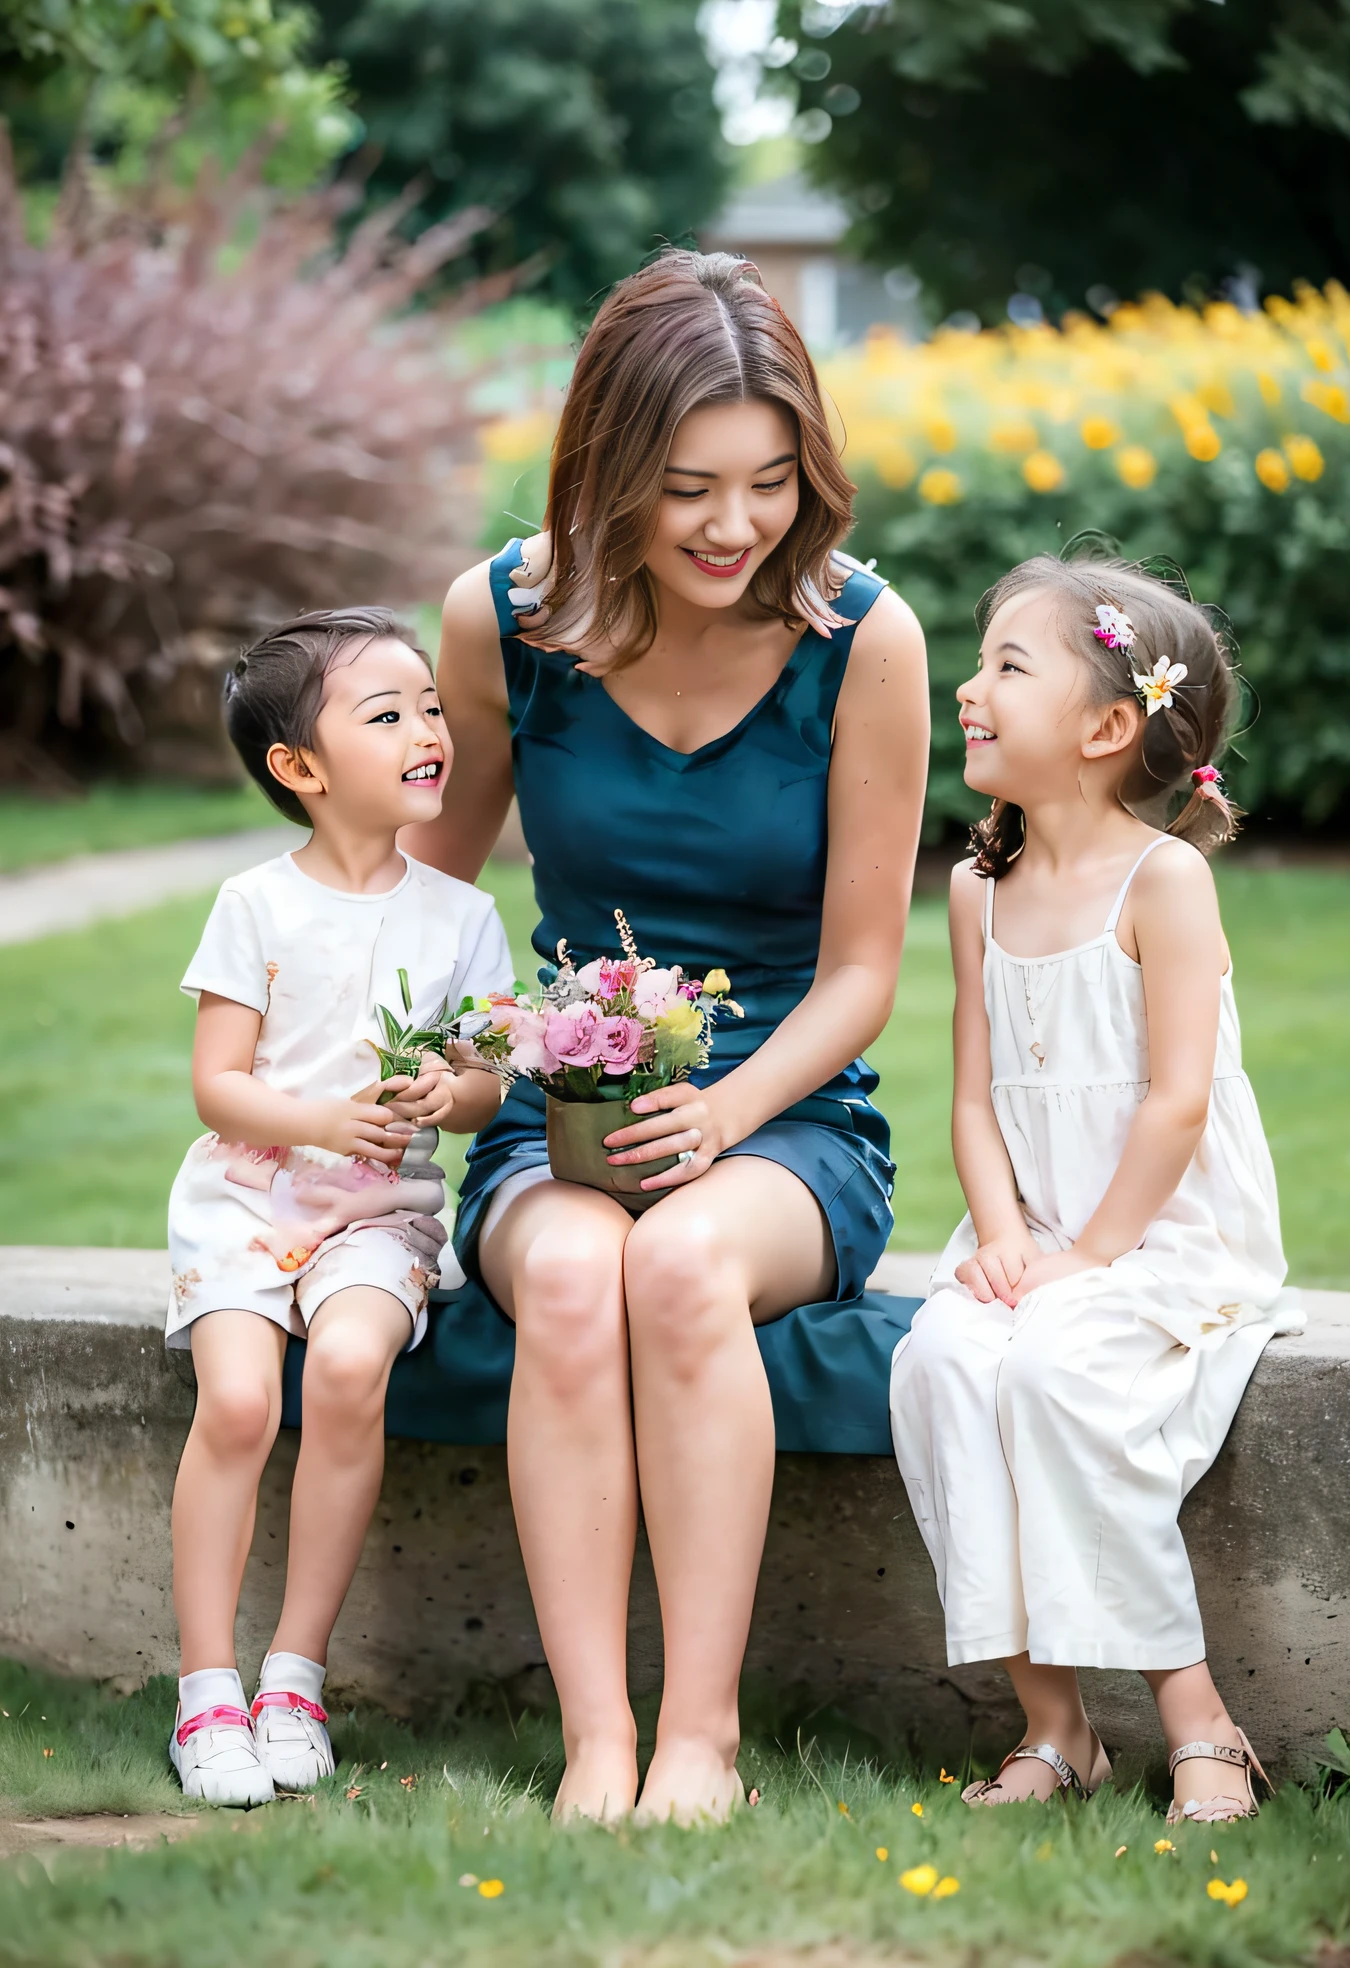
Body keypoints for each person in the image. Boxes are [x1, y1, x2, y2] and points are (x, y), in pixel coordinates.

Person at [406, 250, 928, 1824]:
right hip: (559, 1108)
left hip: (790, 1113)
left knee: (682, 1265)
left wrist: (725, 1118)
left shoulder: (867, 641)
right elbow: (431, 913)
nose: (732, 527)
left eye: (771, 483)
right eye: (689, 487)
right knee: (571, 1271)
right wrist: (459, 1063)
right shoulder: (502, 621)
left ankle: (700, 1736)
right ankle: (597, 1745)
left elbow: (860, 973)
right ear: (609, 471)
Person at [889, 551, 1300, 1825]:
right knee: (944, 1360)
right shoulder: (978, 889)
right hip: (1045, 1227)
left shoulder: (1162, 882)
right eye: (979, 657)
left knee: (1059, 1367)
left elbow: (1176, 1099)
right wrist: (1007, 1237)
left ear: (1109, 726)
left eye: (1008, 665)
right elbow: (970, 1097)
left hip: (1165, 1234)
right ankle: (1058, 1726)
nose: (967, 686)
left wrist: (1092, 1255)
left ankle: (1201, 1723)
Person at [166, 609, 512, 1806]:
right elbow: (218, 1083)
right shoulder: (255, 905)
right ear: (300, 769)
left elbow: (480, 1088)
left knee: (351, 1367)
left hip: (380, 1214)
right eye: (387, 715)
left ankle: (293, 1677)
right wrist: (317, 1122)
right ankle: (206, 1689)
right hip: (249, 1198)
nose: (428, 730)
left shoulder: (463, 917)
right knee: (246, 1399)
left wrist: (447, 1088)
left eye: (429, 706)